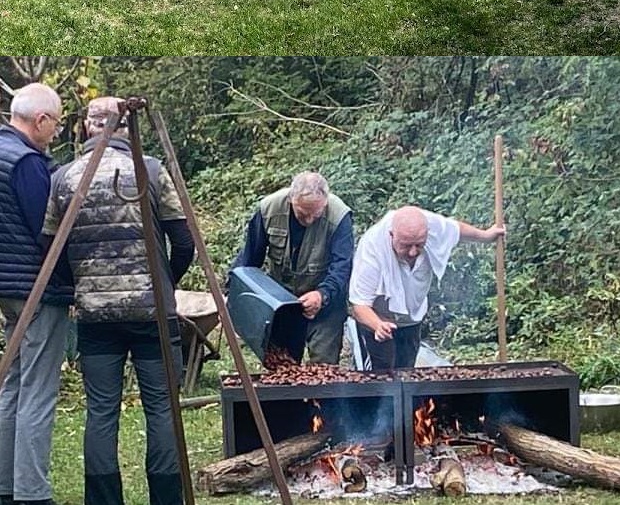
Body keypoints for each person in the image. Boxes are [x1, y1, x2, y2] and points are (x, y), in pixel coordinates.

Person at [48, 97, 194, 505]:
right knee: (163, 408)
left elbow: (52, 249)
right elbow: (183, 241)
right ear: (126, 128)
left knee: (101, 411)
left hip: (96, 316)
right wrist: (165, 282)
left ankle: (103, 500)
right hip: (152, 314)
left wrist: (81, 284)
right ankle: (166, 499)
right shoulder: (150, 170)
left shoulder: (63, 178)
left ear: (89, 128)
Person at [0, 84, 68, 505]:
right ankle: (31, 493)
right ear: (40, 120)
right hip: (35, 289)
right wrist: (68, 283)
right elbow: (48, 232)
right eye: (56, 123)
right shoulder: (25, 162)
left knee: (12, 387)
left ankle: (5, 486)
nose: (56, 133)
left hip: (7, 285)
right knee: (38, 391)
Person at [348, 206, 504, 372]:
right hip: (378, 319)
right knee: (380, 376)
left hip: (412, 318)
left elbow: (456, 230)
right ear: (391, 235)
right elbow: (359, 306)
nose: (413, 252)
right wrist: (378, 325)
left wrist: (486, 236)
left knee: (406, 373)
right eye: (406, 245)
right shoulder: (372, 248)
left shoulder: (432, 225)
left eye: (419, 244)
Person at [229, 172, 354, 364]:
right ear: (290, 200)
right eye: (303, 214)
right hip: (281, 304)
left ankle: (319, 395)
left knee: (324, 367)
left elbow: (342, 266)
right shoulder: (268, 209)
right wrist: (236, 300)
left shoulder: (339, 216)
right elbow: (249, 260)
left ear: (325, 202)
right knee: (281, 365)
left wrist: (322, 294)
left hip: (326, 306)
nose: (310, 220)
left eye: (317, 214)